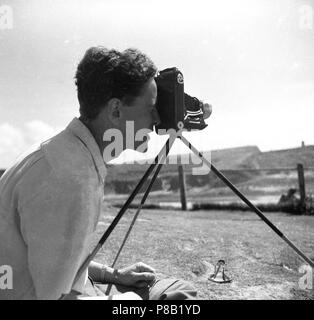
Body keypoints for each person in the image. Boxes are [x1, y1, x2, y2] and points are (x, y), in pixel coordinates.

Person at [0, 47, 197, 300]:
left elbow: (41, 259)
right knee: (180, 297)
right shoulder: (71, 181)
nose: (157, 118)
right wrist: (127, 302)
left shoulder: (64, 152)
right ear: (115, 111)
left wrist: (113, 274)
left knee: (177, 290)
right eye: (150, 107)